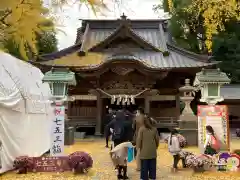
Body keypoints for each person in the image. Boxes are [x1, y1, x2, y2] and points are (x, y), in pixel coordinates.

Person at [137, 115, 159, 180]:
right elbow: (157, 139)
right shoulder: (154, 129)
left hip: (144, 150)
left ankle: (144, 177)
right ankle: (152, 176)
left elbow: (139, 140)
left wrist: (138, 147)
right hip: (152, 150)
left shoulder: (141, 129)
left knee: (144, 166)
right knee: (152, 165)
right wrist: (156, 146)